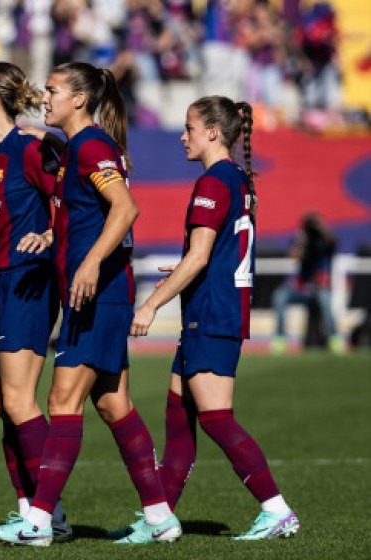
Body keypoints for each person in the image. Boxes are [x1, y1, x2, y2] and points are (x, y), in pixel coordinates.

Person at [0, 61, 178, 546]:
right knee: (113, 404)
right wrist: (53, 238)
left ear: (79, 100)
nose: (44, 98)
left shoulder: (91, 146)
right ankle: (160, 518)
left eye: (52, 91)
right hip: (99, 293)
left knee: (61, 401)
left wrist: (89, 264)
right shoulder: (78, 148)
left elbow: (126, 209)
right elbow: (87, 215)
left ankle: (39, 521)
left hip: (96, 294)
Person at [127, 95, 300, 540]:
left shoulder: (214, 181)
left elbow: (201, 255)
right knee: (178, 421)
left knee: (216, 418)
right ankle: (159, 519)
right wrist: (186, 266)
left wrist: (151, 303)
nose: (182, 136)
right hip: (212, 309)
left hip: (212, 312)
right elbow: (215, 253)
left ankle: (276, 509)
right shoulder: (236, 178)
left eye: (189, 128)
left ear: (213, 132)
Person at [0, 61, 69, 540]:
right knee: (5, 404)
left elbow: (72, 200)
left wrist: (49, 235)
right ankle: (28, 508)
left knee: (21, 400)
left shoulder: (29, 148)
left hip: (28, 282)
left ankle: (50, 517)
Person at [271, 212, 343, 354]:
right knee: (279, 296)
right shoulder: (302, 240)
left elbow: (333, 243)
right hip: (301, 288)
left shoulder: (325, 240)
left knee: (325, 301)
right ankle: (280, 338)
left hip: (320, 288)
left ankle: (334, 338)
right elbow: (293, 256)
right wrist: (303, 239)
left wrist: (322, 230)